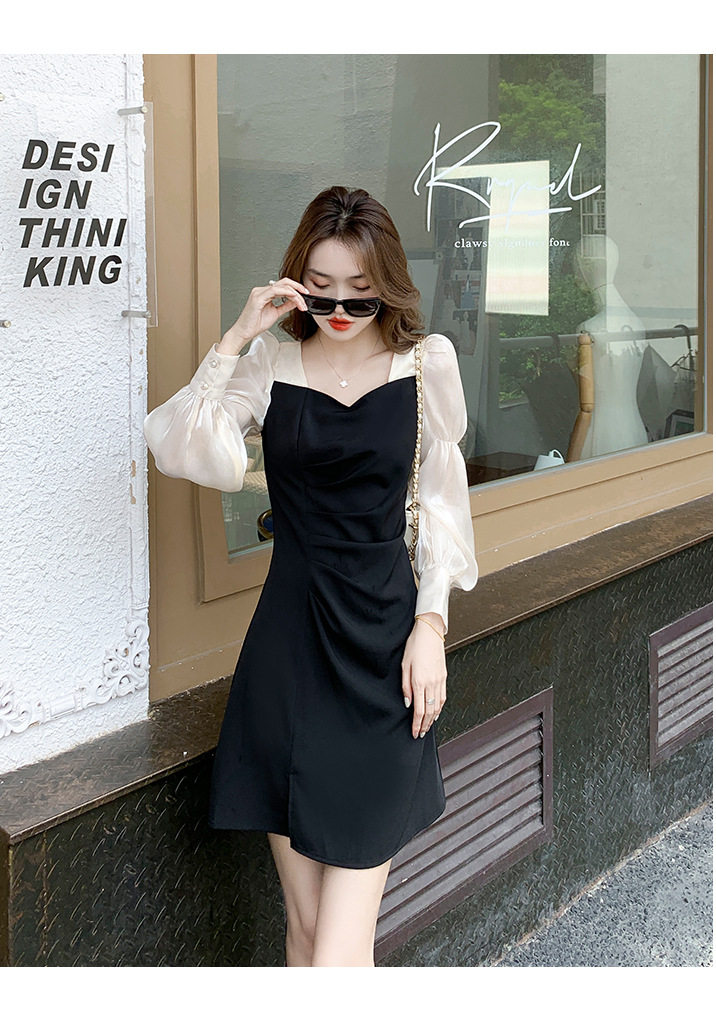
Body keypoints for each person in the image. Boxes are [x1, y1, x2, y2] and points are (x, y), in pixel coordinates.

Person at [143, 185, 478, 967]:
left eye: (361, 293)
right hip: (288, 658)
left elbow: (441, 505)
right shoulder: (271, 364)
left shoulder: (426, 364)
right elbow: (178, 444)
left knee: (337, 946)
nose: (341, 310)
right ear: (297, 283)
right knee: (306, 930)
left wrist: (431, 626)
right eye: (322, 290)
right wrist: (236, 337)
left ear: (387, 284)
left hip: (386, 659)